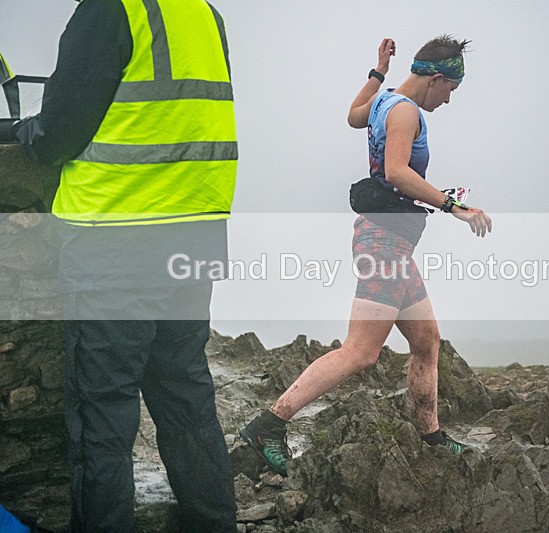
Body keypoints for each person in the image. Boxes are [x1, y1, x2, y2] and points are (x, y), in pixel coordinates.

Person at [11, 0, 238, 531]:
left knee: (102, 417)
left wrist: (25, 131)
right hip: (194, 237)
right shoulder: (203, 14)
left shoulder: (110, 10)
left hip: (115, 242)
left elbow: (59, 132)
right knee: (186, 399)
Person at [240, 35, 492, 477]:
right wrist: (453, 206)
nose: (449, 100)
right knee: (360, 352)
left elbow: (353, 115)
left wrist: (378, 72)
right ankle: (269, 425)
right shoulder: (405, 111)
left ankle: (431, 436)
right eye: (450, 89)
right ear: (435, 78)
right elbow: (396, 171)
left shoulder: (384, 99)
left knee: (426, 340)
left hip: (393, 243)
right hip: (384, 243)